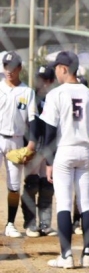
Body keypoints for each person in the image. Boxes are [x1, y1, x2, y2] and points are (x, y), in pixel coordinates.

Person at [41, 51, 89, 269]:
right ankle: (87, 254)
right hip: (85, 150)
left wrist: (49, 162)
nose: (55, 72)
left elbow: (49, 131)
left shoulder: (56, 94)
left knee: (64, 203)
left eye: (57, 68)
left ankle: (66, 255)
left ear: (64, 69)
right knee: (85, 202)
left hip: (64, 151)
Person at [0, 52, 38, 238]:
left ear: (20, 68)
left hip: (16, 140)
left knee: (14, 186)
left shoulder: (27, 92)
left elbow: (33, 119)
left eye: (12, 67)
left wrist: (32, 143)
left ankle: (10, 224)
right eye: (6, 66)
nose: (9, 71)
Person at [23, 64, 57, 237]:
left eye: (45, 80)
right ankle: (30, 223)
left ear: (51, 81)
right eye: (39, 79)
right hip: (34, 145)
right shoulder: (31, 97)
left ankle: (45, 224)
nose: (41, 83)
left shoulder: (56, 97)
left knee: (47, 186)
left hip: (50, 146)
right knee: (32, 184)